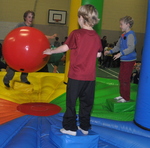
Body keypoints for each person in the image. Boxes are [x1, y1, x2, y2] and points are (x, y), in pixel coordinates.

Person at [43, 4, 102, 136]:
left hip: (76, 76)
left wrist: (51, 51)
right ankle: (85, 127)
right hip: (90, 78)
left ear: (81, 18)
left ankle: (70, 127)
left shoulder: (76, 33)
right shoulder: (96, 36)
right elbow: (98, 54)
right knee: (86, 103)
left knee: (71, 102)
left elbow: (65, 48)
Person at [3, 10, 56, 87]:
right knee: (13, 67)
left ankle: (24, 79)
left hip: (26, 52)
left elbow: (40, 36)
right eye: (29, 17)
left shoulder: (32, 28)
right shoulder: (21, 25)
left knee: (27, 64)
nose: (31, 19)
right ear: (25, 18)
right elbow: (13, 35)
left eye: (32, 17)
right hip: (18, 51)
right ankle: (7, 79)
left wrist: (50, 37)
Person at [104, 16, 137, 103]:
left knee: (125, 78)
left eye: (121, 24)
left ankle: (126, 98)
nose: (120, 26)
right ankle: (122, 95)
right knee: (121, 78)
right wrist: (110, 51)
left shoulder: (130, 35)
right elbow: (118, 46)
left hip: (129, 60)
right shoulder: (123, 35)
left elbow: (131, 48)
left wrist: (121, 53)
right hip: (124, 60)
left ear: (128, 24)